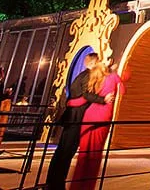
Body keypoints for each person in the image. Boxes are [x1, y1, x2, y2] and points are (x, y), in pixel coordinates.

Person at [45, 53, 114, 190]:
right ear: (93, 63)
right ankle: (56, 184)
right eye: (98, 61)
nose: (100, 64)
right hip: (77, 117)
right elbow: (86, 95)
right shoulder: (88, 76)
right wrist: (103, 99)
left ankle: (52, 181)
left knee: (62, 150)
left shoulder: (82, 75)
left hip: (72, 116)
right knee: (67, 151)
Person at [69, 61, 128, 190]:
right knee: (95, 155)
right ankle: (87, 186)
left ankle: (76, 185)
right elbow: (123, 91)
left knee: (84, 154)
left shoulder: (95, 79)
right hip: (103, 115)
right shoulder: (113, 76)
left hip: (89, 116)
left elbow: (83, 98)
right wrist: (122, 78)